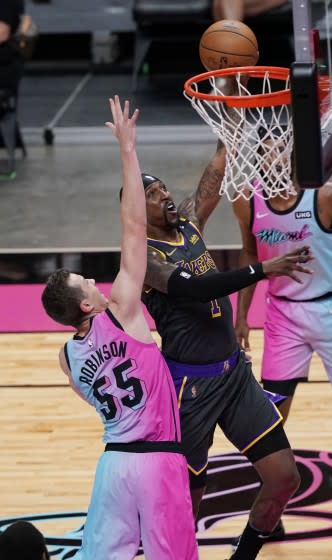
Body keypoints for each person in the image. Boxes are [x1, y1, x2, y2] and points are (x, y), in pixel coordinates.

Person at [140, 125, 317, 558]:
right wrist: (262, 269)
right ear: (132, 210)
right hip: (189, 390)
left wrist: (231, 131)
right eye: (153, 193)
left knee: (284, 478)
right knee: (187, 505)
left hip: (234, 375)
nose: (165, 195)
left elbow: (215, 175)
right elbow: (198, 289)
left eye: (164, 188)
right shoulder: (142, 258)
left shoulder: (189, 223)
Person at [41, 97, 199, 560]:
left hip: (113, 466)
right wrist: (128, 150)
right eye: (85, 281)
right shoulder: (123, 311)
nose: (93, 279)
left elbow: (94, 387)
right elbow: (134, 227)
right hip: (158, 460)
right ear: (88, 303)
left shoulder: (66, 356)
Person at [233, 151, 332, 548]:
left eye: (279, 153)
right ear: (257, 160)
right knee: (270, 416)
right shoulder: (247, 200)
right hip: (283, 315)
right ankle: (270, 514)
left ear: (294, 157)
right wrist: (240, 315)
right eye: (263, 154)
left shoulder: (327, 195)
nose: (272, 160)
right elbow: (249, 254)